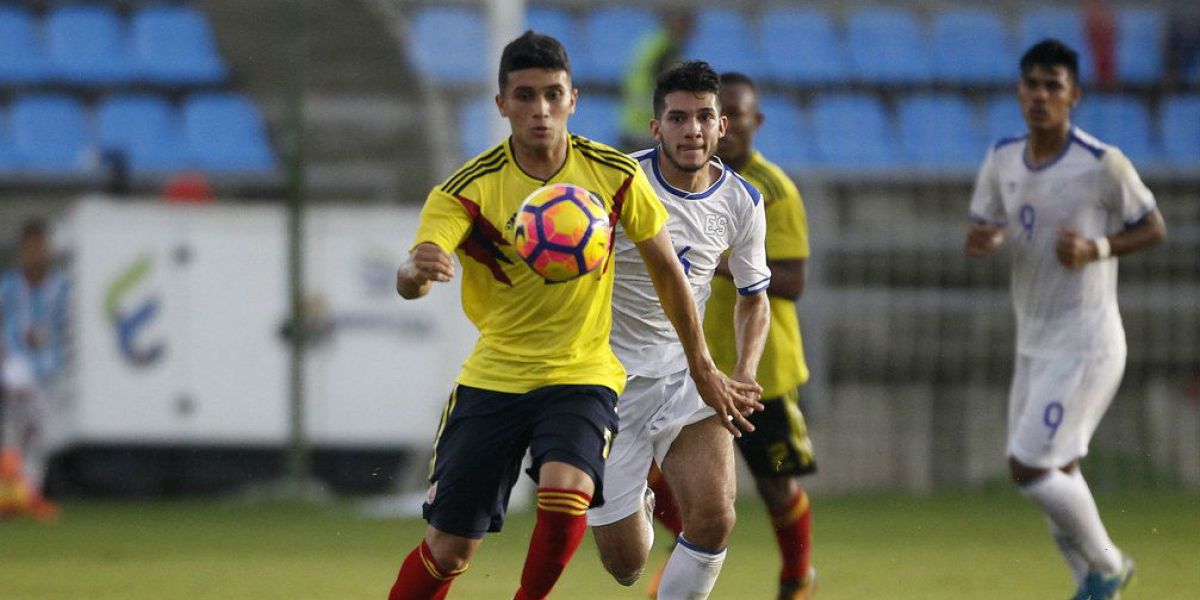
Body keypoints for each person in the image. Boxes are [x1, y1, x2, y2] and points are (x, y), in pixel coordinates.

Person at [386, 32, 759, 600]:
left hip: (587, 375)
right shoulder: (467, 188)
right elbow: (413, 272)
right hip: (498, 376)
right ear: (502, 104)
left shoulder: (613, 176)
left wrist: (707, 365)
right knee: (452, 551)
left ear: (573, 99)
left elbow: (671, 274)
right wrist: (414, 273)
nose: (540, 110)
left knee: (585, 496)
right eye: (526, 96)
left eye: (552, 95)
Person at [964, 39, 1166, 600]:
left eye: (1053, 85)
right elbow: (993, 224)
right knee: (1059, 472)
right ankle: (1094, 588)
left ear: (1073, 95)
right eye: (1032, 83)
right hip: (1033, 341)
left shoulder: (1101, 162)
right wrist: (988, 238)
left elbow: (1153, 226)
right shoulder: (1003, 157)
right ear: (1019, 92)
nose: (1040, 94)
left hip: (1087, 343)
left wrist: (1097, 248)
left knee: (1029, 468)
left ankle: (1107, 565)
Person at [589, 60, 770, 600]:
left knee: (714, 518)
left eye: (703, 117)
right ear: (656, 128)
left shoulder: (743, 201)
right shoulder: (618, 182)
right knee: (626, 567)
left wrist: (744, 370)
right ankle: (637, 505)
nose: (691, 129)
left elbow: (753, 296)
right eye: (677, 117)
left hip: (687, 371)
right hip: (608, 380)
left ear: (722, 128)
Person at [645, 71, 819, 600]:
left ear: (742, 122)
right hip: (688, 365)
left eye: (736, 117)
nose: (730, 127)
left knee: (774, 483)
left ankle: (796, 577)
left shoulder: (771, 191)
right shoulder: (663, 184)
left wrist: (715, 266)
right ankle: (685, 566)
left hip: (758, 372)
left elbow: (792, 279)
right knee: (662, 484)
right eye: (684, 117)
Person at [0, 219, 69, 522]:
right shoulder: (8, 287)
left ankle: (25, 494)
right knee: (17, 425)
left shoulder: (60, 287)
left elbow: (65, 328)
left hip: (48, 369)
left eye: (40, 248)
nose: (36, 254)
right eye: (30, 249)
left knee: (38, 436)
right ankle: (12, 494)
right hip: (14, 363)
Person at [618, 11, 694, 151]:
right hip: (648, 125)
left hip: (631, 121)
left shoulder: (652, 42)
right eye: (689, 22)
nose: (694, 29)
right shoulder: (668, 49)